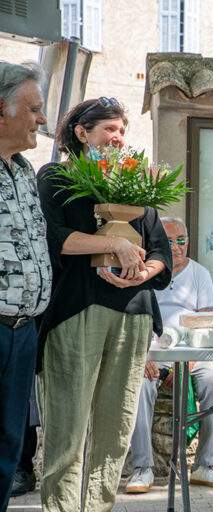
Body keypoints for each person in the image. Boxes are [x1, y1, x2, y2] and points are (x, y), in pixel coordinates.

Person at [36, 97, 172, 511]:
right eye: (110, 129)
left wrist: (140, 269)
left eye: (122, 131)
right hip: (77, 310)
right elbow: (53, 238)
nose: (118, 138)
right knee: (68, 429)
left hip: (133, 316)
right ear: (81, 133)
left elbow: (161, 254)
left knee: (116, 433)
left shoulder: (135, 183)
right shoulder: (55, 176)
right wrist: (114, 243)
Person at [126, 216, 213, 493]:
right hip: (151, 353)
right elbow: (134, 320)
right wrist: (144, 356)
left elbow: (207, 326)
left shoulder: (200, 275)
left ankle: (206, 465)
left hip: (193, 354)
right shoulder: (144, 273)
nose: (175, 247)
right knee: (139, 388)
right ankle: (142, 468)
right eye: (169, 241)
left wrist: (187, 362)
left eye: (181, 240)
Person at [0, 60, 52, 511]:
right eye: (34, 109)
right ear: (1, 109)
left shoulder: (23, 173)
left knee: (10, 448)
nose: (42, 119)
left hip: (23, 332)